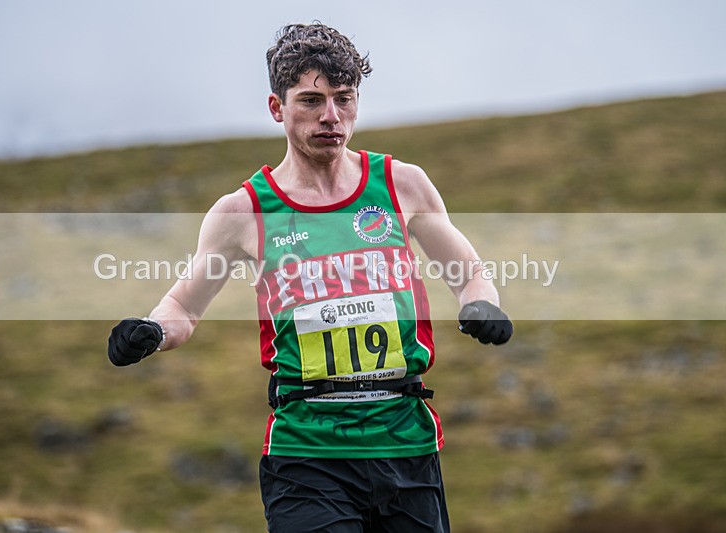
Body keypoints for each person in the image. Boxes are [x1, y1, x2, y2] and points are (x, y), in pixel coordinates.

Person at [107, 22, 512, 532]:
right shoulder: (244, 212)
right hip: (307, 454)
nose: (331, 117)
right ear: (277, 108)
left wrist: (482, 305)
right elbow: (184, 308)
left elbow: (468, 272)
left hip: (404, 442)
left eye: (344, 99)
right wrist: (151, 332)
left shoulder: (401, 185)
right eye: (311, 100)